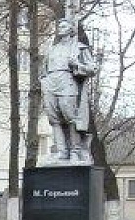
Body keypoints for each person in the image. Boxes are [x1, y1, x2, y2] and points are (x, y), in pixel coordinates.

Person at [42, 18, 98, 162]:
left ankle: (75, 150)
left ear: (71, 29)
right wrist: (44, 80)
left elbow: (93, 68)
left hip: (67, 81)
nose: (60, 28)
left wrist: (77, 64)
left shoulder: (79, 48)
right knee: (54, 118)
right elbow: (44, 69)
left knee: (70, 116)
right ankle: (61, 151)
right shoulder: (52, 49)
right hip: (51, 81)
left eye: (64, 26)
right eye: (59, 25)